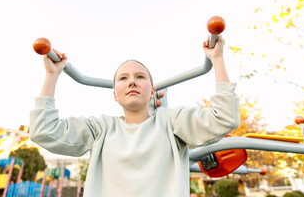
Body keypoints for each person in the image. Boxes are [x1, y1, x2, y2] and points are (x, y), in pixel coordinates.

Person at [30, 35, 240, 197]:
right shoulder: (100, 129)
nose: (132, 82)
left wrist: (218, 59)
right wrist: (52, 75)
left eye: (140, 77)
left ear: (151, 91)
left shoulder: (171, 122)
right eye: (123, 78)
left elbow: (223, 117)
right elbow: (44, 131)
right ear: (115, 94)